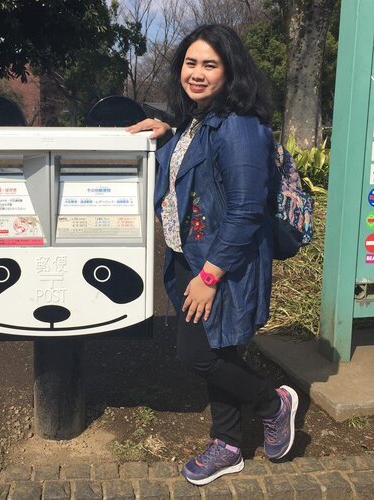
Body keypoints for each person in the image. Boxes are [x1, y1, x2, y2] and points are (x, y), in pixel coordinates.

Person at [126, 24, 299, 486]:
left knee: (197, 355)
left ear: (230, 71)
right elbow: (194, 168)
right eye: (190, 62)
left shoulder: (240, 127)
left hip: (219, 263)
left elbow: (244, 210)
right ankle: (228, 443)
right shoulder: (200, 119)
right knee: (217, 348)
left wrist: (209, 276)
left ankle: (271, 404)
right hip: (194, 256)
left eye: (209, 65)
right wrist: (168, 132)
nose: (196, 73)